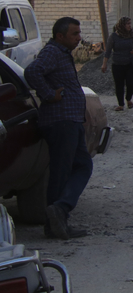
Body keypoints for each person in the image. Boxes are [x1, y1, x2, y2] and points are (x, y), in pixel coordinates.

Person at [23, 17, 92, 240]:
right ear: (60, 36)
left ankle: (57, 218)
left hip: (69, 120)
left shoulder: (61, 53)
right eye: (74, 34)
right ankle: (59, 214)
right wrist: (48, 94)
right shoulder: (52, 52)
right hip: (61, 121)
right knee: (64, 172)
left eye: (79, 33)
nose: (78, 38)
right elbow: (32, 72)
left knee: (80, 165)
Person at [100, 16, 133, 111]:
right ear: (122, 25)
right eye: (127, 24)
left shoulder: (132, 34)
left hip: (130, 63)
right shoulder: (114, 36)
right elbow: (108, 51)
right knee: (119, 85)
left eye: (130, 23)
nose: (129, 26)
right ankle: (121, 104)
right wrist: (104, 64)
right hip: (117, 64)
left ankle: (128, 98)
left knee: (131, 84)